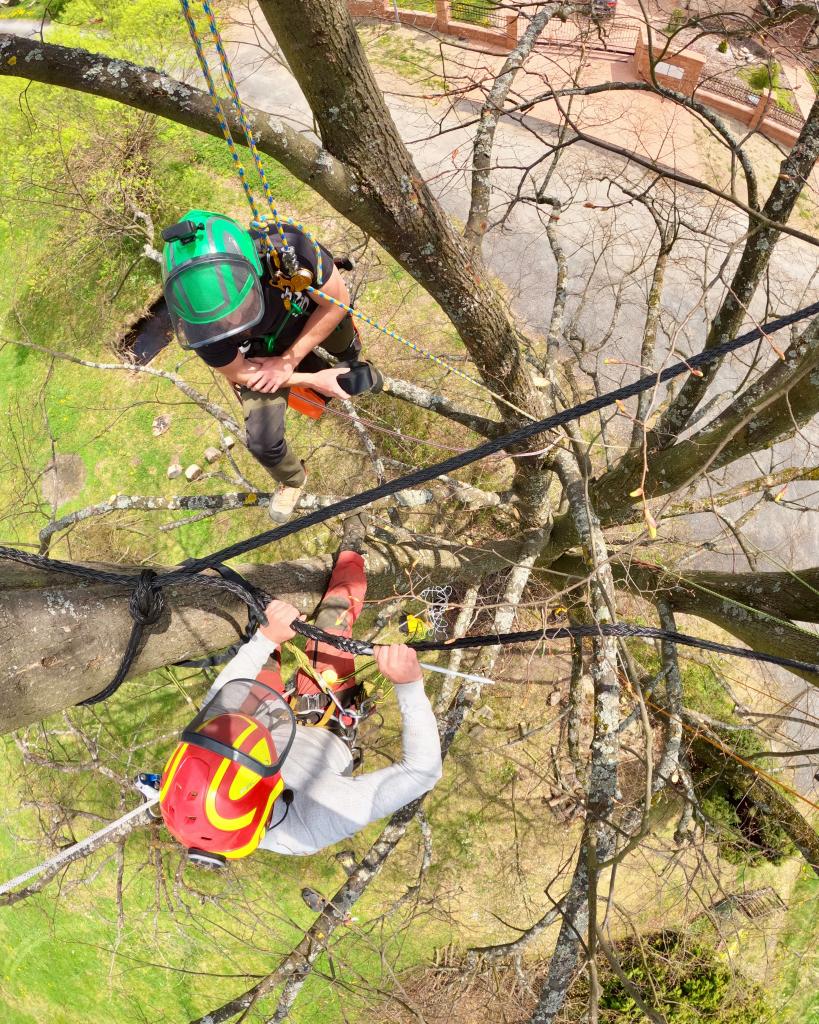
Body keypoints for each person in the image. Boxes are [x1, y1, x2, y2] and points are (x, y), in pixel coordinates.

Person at [157, 545, 442, 864]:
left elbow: (222, 703)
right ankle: (353, 551)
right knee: (333, 620)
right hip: (324, 724)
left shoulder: (199, 774)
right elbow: (422, 771)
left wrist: (265, 639)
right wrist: (409, 684)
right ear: (267, 798)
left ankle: (281, 618)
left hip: (261, 722)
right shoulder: (318, 820)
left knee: (256, 627)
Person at [161, 209, 383, 523]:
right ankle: (294, 479)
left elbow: (336, 301)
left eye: (237, 309)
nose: (232, 323)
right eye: (219, 322)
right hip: (259, 355)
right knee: (263, 440)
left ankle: (353, 361)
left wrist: (289, 361)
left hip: (305, 313)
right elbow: (238, 372)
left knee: (345, 345)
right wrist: (308, 377)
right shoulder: (199, 327)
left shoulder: (285, 246)